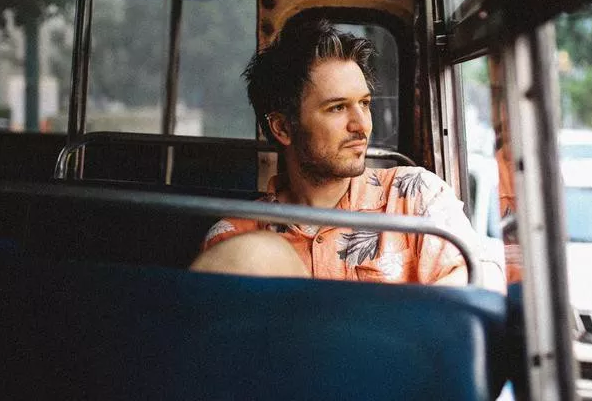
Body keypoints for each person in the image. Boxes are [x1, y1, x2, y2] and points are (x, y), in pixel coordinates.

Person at [191, 18, 504, 289]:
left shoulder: (413, 196)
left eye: (364, 104)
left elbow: (478, 280)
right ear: (283, 128)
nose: (361, 125)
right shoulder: (234, 239)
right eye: (337, 107)